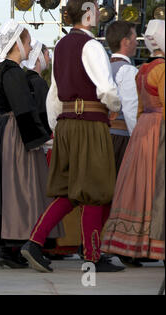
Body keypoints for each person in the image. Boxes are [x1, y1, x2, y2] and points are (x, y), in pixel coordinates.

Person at [21, 0, 125, 272]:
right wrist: (114, 108)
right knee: (94, 189)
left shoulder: (61, 46)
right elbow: (107, 89)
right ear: (88, 13)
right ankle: (92, 256)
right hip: (89, 123)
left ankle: (34, 242)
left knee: (69, 191)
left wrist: (58, 127)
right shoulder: (91, 46)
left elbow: (54, 95)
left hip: (66, 123)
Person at [0, 20, 61, 269]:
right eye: (27, 42)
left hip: (2, 131)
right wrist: (39, 139)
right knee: (20, 189)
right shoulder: (14, 72)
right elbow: (23, 109)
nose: (30, 48)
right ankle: (11, 248)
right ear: (17, 43)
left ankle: (10, 247)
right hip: (16, 134)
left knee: (8, 189)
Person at [102, 19, 165, 263]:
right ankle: (154, 244)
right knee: (156, 187)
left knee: (140, 187)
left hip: (143, 129)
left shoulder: (143, 70)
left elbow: (138, 109)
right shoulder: (161, 70)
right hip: (159, 128)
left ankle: (131, 245)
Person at [105, 21, 139, 174]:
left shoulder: (103, 68)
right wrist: (137, 142)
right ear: (125, 42)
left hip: (102, 137)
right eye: (135, 38)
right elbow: (131, 111)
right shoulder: (128, 71)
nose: (137, 43)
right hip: (121, 140)